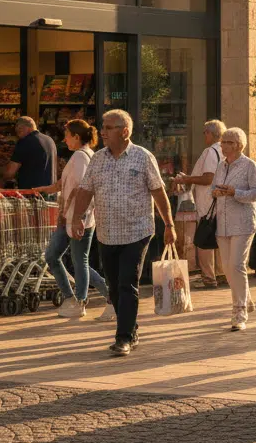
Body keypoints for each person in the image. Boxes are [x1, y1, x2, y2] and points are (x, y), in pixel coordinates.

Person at [68, 110, 176, 357]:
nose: (102, 132)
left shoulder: (143, 157)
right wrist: (77, 217)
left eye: (108, 127)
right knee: (114, 287)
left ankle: (123, 337)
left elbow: (159, 193)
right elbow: (85, 190)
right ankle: (131, 326)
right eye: (103, 126)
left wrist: (169, 225)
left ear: (124, 131)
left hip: (137, 232)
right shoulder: (97, 159)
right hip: (106, 233)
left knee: (127, 283)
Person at [35, 119, 112, 319]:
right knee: (58, 256)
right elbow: (65, 183)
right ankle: (78, 297)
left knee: (78, 261)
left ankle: (80, 301)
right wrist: (45, 189)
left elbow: (80, 189)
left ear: (77, 137)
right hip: (73, 217)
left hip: (78, 218)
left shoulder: (81, 157)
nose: (65, 139)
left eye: (67, 135)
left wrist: (67, 211)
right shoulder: (81, 156)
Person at [209, 127, 256, 331]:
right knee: (227, 268)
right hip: (222, 224)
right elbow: (212, 188)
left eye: (226, 142)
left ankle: (239, 311)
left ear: (238, 145)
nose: (222, 145)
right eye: (222, 141)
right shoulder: (221, 166)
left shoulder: (250, 166)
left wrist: (235, 193)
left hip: (242, 222)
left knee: (237, 265)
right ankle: (246, 298)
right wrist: (216, 192)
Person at [171, 120, 224, 288]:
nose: (203, 136)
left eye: (204, 132)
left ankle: (209, 278)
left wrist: (187, 179)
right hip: (219, 202)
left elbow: (208, 178)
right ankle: (221, 275)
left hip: (208, 203)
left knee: (204, 241)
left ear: (210, 133)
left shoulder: (210, 152)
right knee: (219, 240)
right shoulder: (223, 151)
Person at [6, 116, 57, 190]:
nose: (18, 135)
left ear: (26, 127)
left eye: (19, 130)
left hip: (31, 193)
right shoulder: (49, 140)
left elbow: (10, 173)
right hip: (49, 191)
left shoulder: (24, 142)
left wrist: (0, 181)